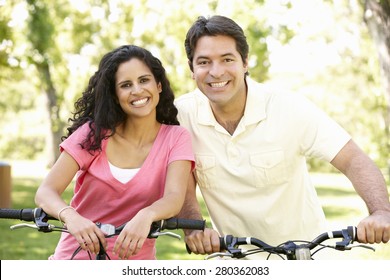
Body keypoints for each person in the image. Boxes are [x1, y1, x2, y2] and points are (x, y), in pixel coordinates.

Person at [175, 15, 390, 259]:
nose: (216, 72)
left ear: (245, 62)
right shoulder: (182, 115)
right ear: (192, 69)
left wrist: (381, 211)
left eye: (227, 59)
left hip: (307, 257)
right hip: (233, 261)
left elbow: (352, 159)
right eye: (204, 62)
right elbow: (181, 178)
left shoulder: (289, 107)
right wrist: (194, 227)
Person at [35, 45, 195, 260]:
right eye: (126, 85)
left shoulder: (176, 138)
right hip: (75, 259)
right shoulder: (94, 134)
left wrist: (147, 215)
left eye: (144, 80)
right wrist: (71, 217)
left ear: (158, 85)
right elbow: (45, 192)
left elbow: (174, 198)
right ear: (115, 94)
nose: (137, 90)